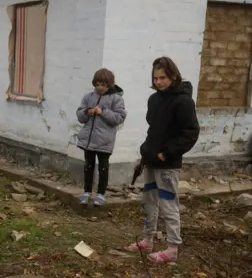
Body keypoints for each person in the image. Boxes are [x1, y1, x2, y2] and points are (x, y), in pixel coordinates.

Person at [124, 56, 200, 264]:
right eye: (156, 78)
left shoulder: (183, 101)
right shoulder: (154, 99)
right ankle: (148, 239)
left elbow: (191, 133)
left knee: (168, 205)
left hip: (167, 165)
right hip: (151, 161)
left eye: (163, 78)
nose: (158, 82)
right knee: (149, 202)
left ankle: (173, 248)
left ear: (173, 76)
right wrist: (145, 155)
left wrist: (166, 153)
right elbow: (154, 130)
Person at [75, 68, 127, 207]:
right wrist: (87, 112)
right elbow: (80, 115)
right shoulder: (88, 97)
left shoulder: (116, 99)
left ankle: (101, 194)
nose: (100, 87)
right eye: (97, 84)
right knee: (88, 166)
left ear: (110, 84)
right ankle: (86, 192)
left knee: (103, 167)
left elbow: (119, 117)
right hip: (89, 140)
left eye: (103, 84)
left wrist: (103, 111)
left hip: (105, 141)